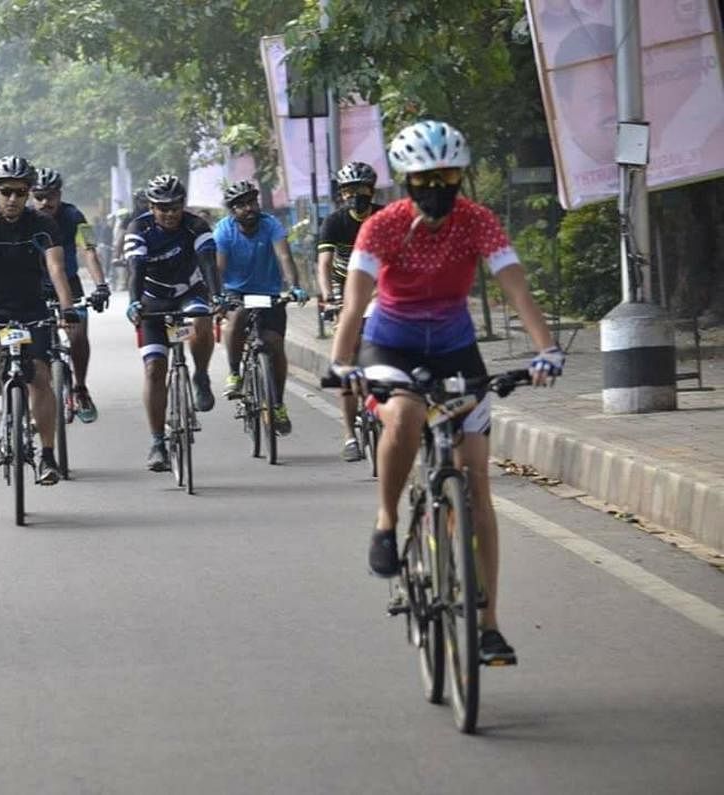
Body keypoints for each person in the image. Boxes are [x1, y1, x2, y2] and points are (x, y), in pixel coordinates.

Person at [328, 120, 565, 665]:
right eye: (424, 178)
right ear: (405, 181)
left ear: (461, 177)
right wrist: (342, 364)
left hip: (456, 350)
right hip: (391, 345)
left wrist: (546, 348)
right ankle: (387, 521)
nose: (436, 188)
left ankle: (487, 623)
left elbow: (515, 287)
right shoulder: (381, 227)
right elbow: (353, 303)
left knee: (477, 486)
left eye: (449, 176)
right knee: (406, 414)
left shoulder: (478, 221)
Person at [0, 155, 79, 486]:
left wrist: (67, 308)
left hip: (32, 307)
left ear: (28, 193)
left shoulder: (42, 225)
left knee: (39, 378)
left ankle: (47, 455)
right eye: (6, 191)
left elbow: (56, 268)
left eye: (20, 192)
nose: (12, 199)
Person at [124, 173, 222, 471]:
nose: (169, 214)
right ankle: (157, 441)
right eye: (162, 208)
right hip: (152, 299)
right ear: (151, 207)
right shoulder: (138, 228)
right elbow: (136, 269)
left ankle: (201, 375)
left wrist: (217, 298)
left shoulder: (196, 226)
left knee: (201, 318)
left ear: (183, 205)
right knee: (154, 368)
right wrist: (134, 303)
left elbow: (208, 264)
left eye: (175, 207)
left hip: (188, 292)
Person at [214, 179, 308, 434]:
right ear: (232, 210)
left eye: (252, 202)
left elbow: (284, 257)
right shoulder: (223, 230)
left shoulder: (271, 225)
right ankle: (235, 373)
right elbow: (218, 268)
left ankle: (277, 404)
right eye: (241, 205)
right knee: (238, 317)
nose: (249, 208)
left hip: (268, 292)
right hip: (236, 291)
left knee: (274, 344)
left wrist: (294, 286)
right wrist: (218, 296)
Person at [316, 161, 385, 462]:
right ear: (341, 195)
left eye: (361, 189)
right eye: (348, 191)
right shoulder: (334, 222)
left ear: (371, 190)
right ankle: (348, 435)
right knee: (343, 362)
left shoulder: (385, 218)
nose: (355, 196)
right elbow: (324, 264)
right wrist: (329, 296)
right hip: (345, 293)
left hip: (381, 289)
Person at [31, 167, 112, 422]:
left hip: (69, 283)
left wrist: (100, 285)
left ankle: (80, 388)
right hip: (32, 286)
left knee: (78, 334)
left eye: (51, 196)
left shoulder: (75, 215)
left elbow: (88, 251)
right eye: (40, 196)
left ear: (60, 195)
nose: (45, 203)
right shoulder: (23, 218)